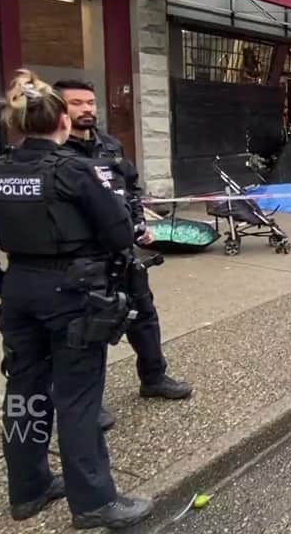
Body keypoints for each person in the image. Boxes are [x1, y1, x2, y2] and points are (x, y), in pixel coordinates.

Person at [0, 70, 154, 528]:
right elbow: (121, 232)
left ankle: (27, 489)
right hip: (73, 294)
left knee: (24, 394)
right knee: (78, 398)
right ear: (63, 122)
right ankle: (93, 501)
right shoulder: (77, 171)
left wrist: (4, 286)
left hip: (19, 292)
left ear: (17, 124)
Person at [54, 80, 192, 432]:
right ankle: (88, 402)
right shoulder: (55, 155)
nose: (86, 109)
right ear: (59, 110)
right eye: (76, 103)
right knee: (89, 330)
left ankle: (154, 377)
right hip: (82, 259)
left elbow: (130, 189)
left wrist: (139, 222)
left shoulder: (110, 147)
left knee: (143, 314)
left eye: (90, 102)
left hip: (123, 251)